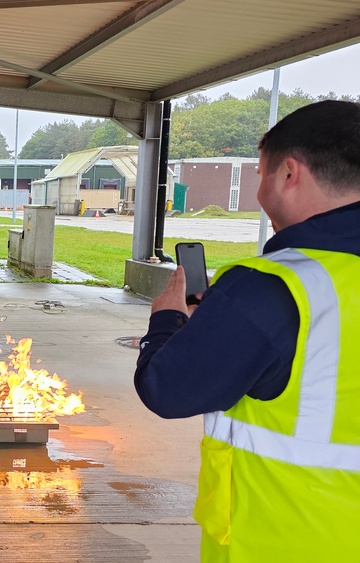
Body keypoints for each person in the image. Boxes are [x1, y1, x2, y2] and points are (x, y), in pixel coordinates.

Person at [134, 100, 360, 561]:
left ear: (289, 174)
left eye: (260, 174)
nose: (261, 189)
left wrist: (167, 321)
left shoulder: (273, 287)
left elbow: (168, 389)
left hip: (284, 540)